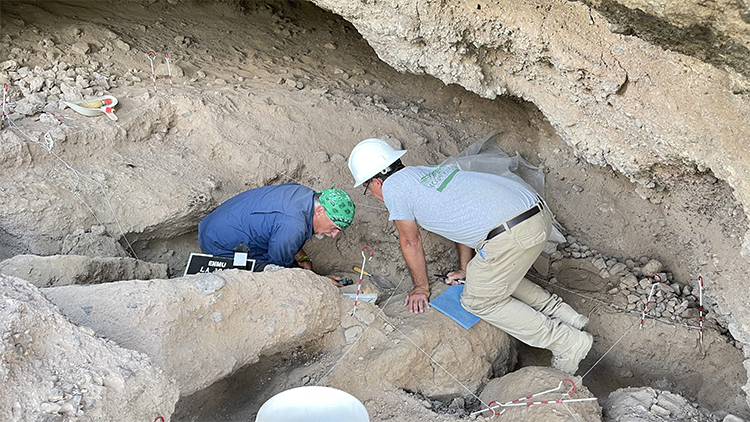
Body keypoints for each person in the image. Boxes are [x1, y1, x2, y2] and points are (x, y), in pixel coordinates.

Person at [347, 138, 592, 374]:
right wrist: (466, 268)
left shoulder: (394, 187)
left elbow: (410, 241)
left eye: (368, 188)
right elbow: (460, 224)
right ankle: (567, 316)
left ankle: (566, 342)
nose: (374, 194)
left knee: (478, 301)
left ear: (376, 181)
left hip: (511, 233)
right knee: (488, 274)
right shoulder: (425, 173)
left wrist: (421, 287)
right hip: (534, 215)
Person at [198, 183, 354, 286]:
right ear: (320, 211)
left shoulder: (304, 194)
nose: (334, 235)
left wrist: (302, 257)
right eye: (334, 228)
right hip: (219, 245)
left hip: (215, 224)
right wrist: (318, 282)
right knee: (268, 280)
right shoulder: (294, 226)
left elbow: (281, 229)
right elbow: (277, 273)